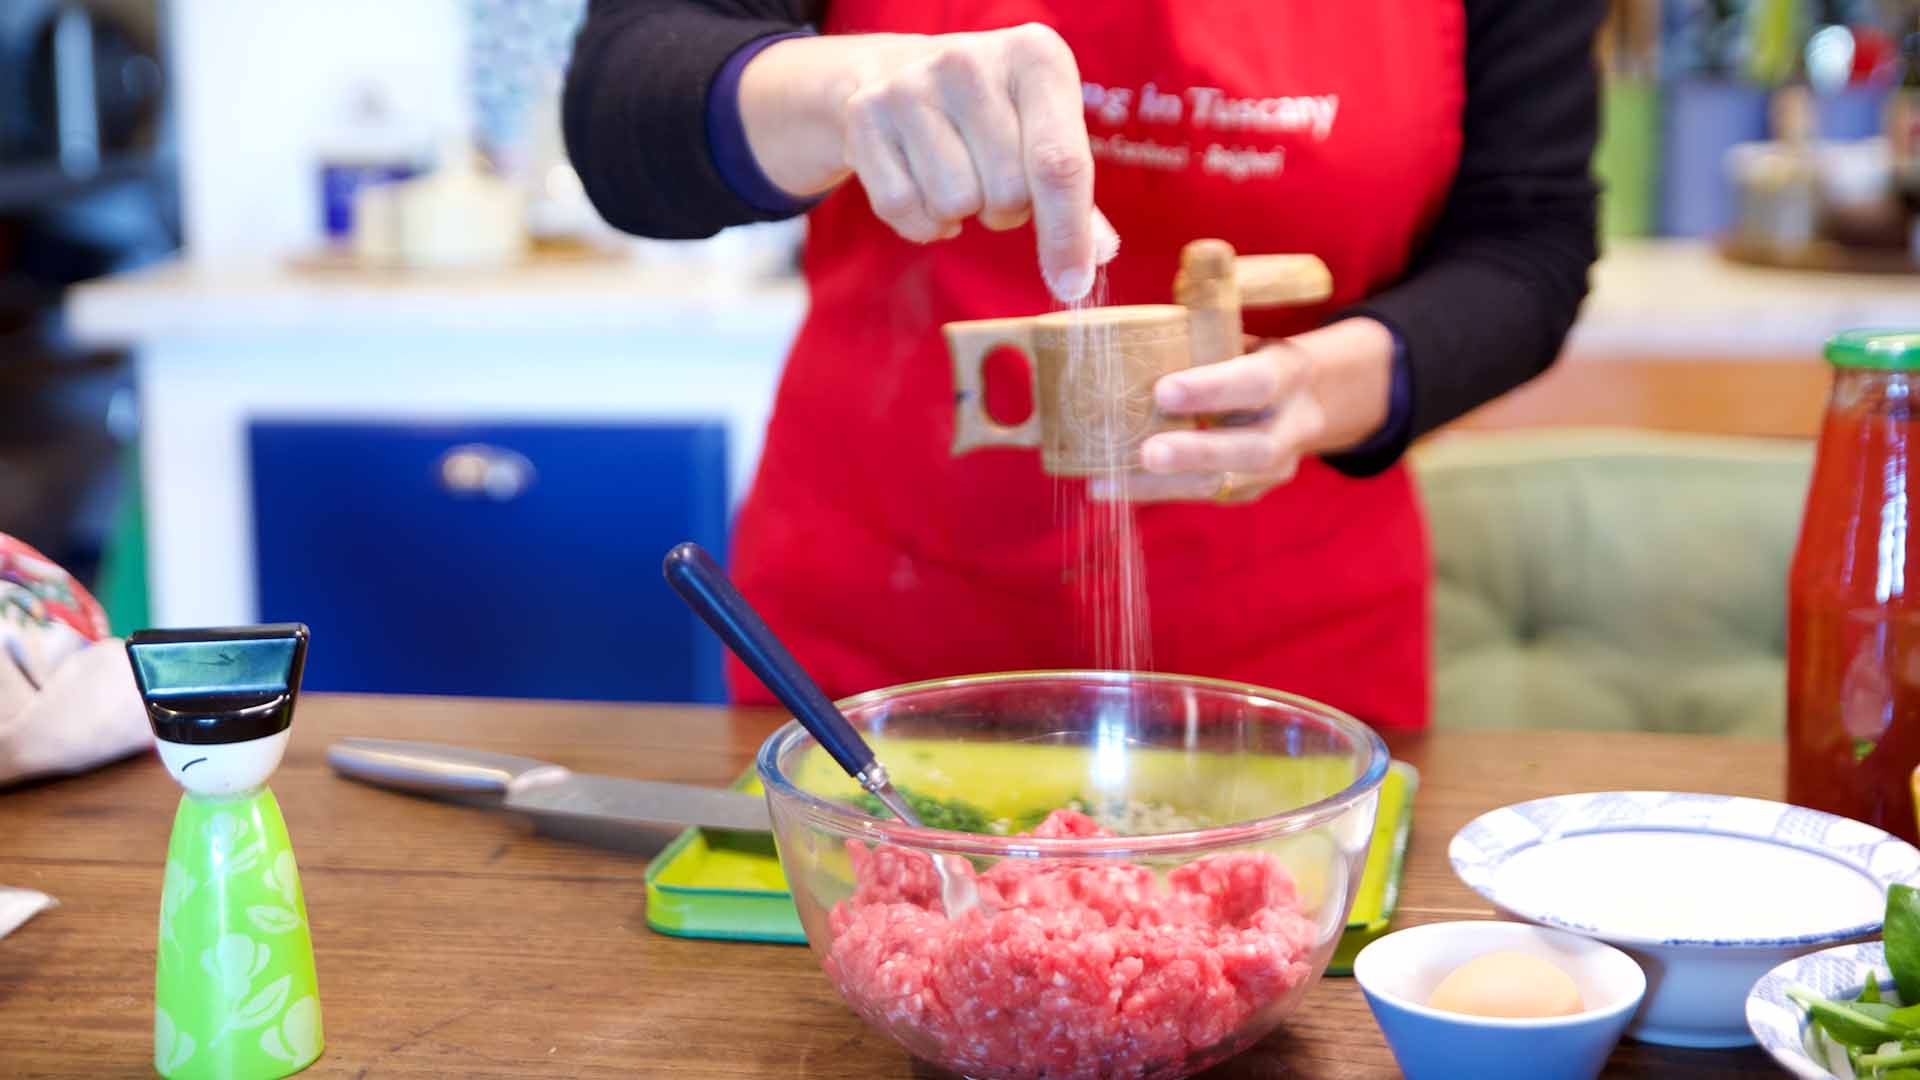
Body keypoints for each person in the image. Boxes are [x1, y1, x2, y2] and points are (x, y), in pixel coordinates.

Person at [563, 1, 1603, 731]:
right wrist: (843, 88)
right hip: (879, 642)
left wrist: (1313, 390)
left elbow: (1529, 246)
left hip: (1286, 662)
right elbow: (623, 104)